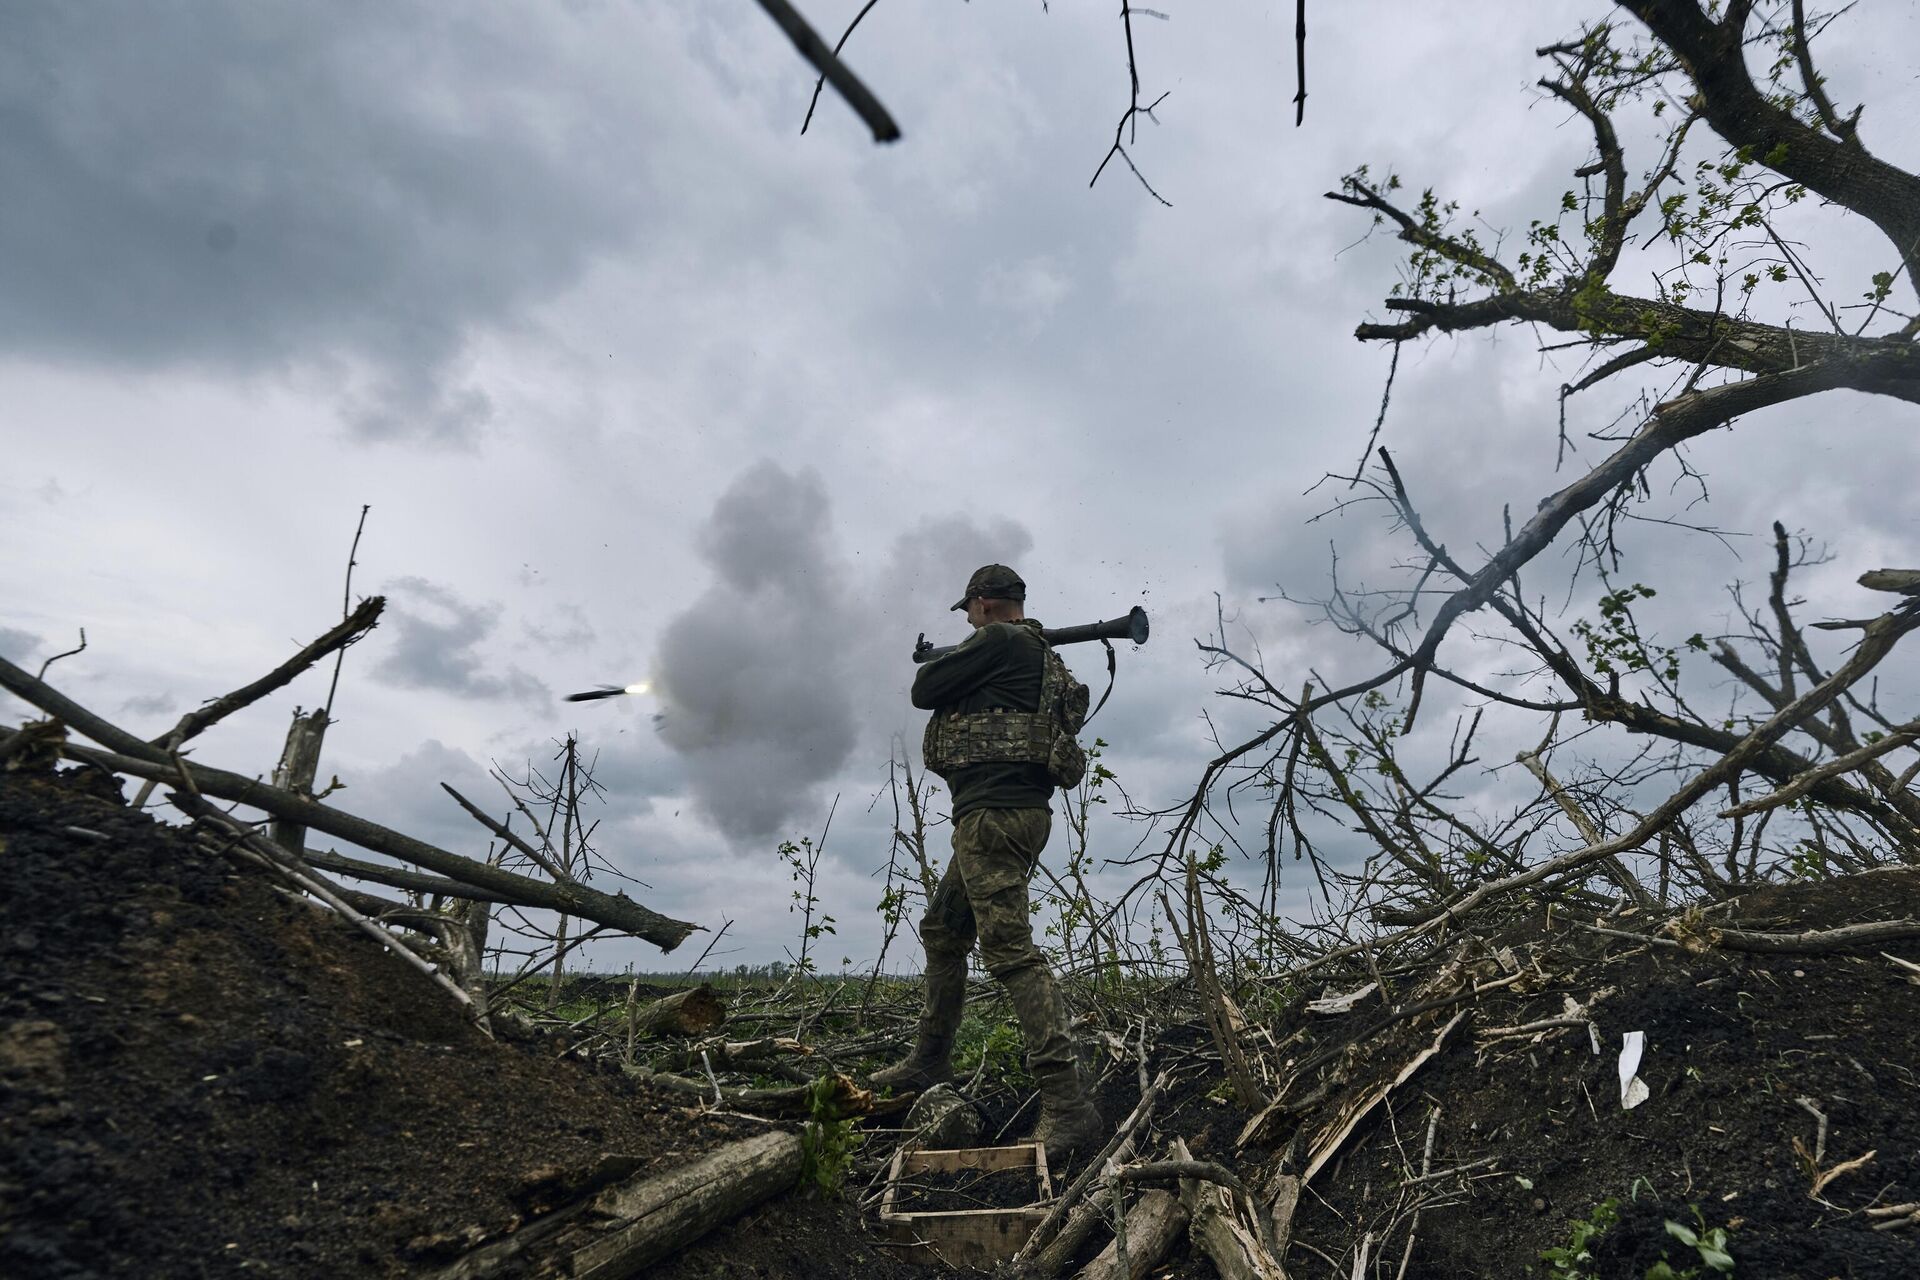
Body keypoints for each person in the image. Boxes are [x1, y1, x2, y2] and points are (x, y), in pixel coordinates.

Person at [871, 564, 1101, 1163]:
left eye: (969, 609)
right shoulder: (1036, 653)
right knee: (946, 931)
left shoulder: (999, 641)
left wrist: (959, 655)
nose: (968, 619)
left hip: (994, 816)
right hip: (1007, 815)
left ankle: (1068, 1105)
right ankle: (929, 1062)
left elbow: (924, 690)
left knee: (1010, 952)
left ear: (982, 603)